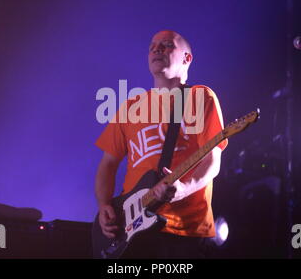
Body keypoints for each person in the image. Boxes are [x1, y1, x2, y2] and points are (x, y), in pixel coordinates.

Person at [94, 30, 228, 258]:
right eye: (152, 46)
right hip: (130, 230)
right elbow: (108, 164)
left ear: (187, 58)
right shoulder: (130, 107)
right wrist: (104, 205)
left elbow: (212, 161)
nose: (156, 49)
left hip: (183, 230)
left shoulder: (201, 97)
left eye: (167, 45)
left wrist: (183, 189)